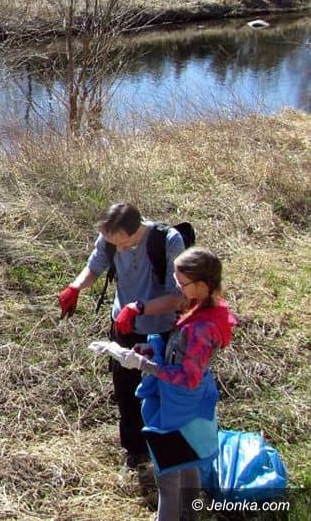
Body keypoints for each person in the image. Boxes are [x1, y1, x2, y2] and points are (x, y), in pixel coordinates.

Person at [90, 248, 235, 521]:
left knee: (168, 481)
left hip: (179, 412)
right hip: (187, 409)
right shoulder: (200, 309)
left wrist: (144, 366)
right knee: (189, 466)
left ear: (202, 285)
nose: (177, 288)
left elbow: (187, 377)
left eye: (182, 283)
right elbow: (180, 354)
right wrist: (152, 349)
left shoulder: (201, 329)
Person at [58, 203, 185, 468]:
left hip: (161, 329)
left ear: (136, 229)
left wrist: (139, 308)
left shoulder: (167, 241)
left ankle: (166, 450)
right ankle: (135, 449)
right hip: (124, 327)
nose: (120, 250)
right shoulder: (110, 238)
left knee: (164, 391)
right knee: (126, 389)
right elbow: (95, 267)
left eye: (124, 244)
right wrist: (75, 287)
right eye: (114, 245)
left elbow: (177, 297)